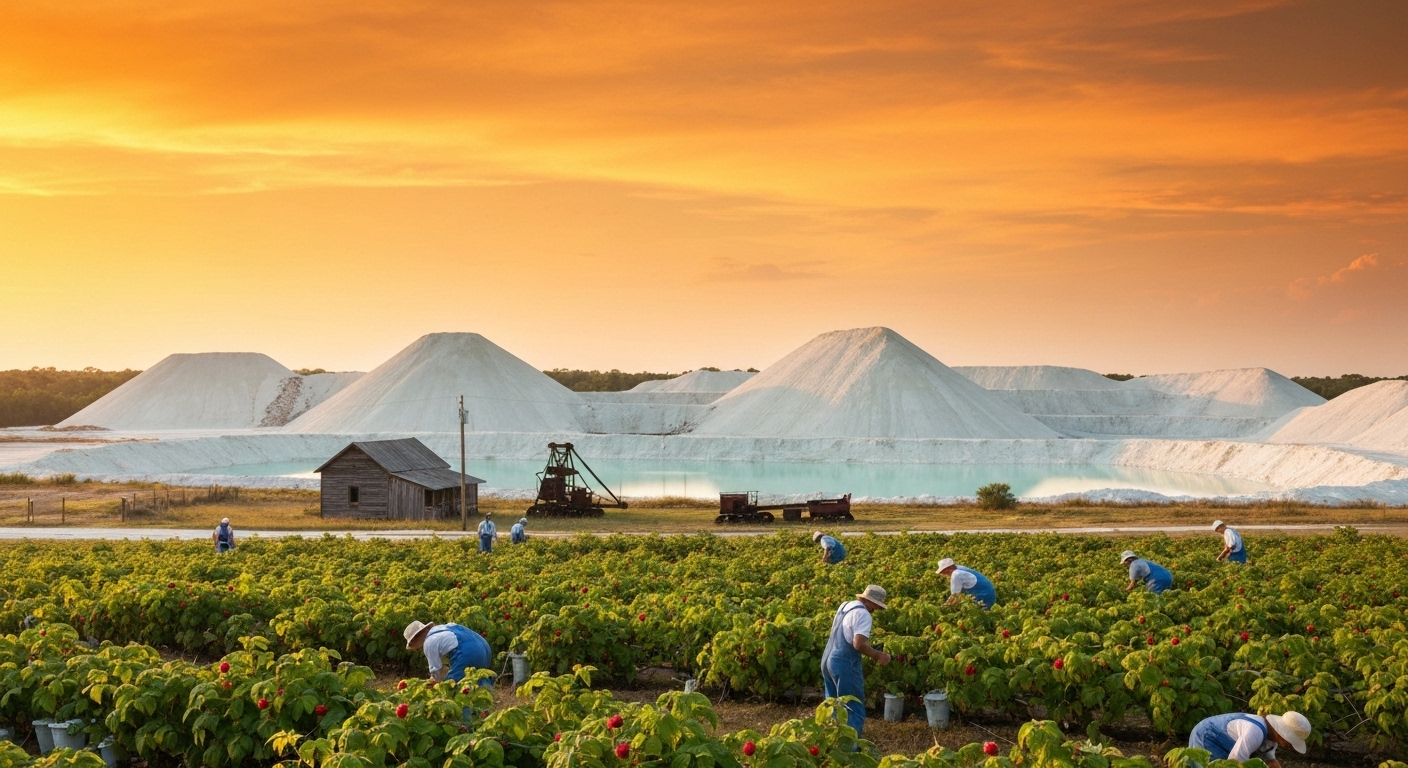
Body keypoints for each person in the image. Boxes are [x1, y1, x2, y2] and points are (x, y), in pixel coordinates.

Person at [820, 585, 891, 740]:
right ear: (868, 601)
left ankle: (830, 742)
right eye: (876, 606)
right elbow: (858, 644)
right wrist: (879, 655)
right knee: (853, 706)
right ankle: (850, 747)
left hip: (827, 660)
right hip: (844, 663)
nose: (876, 610)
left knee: (832, 704)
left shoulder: (845, 606)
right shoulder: (863, 614)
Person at [1187, 711, 1311, 767]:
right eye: (1291, 742)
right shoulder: (1255, 732)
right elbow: (1234, 762)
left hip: (1224, 742)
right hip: (1208, 735)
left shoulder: (1271, 740)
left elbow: (1271, 762)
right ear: (1282, 734)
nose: (1290, 746)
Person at [403, 620, 494, 686]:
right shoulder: (445, 627)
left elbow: (436, 672)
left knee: (452, 688)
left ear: (415, 639)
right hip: (484, 648)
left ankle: (465, 712)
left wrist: (430, 686)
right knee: (479, 678)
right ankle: (486, 706)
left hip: (467, 653)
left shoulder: (429, 642)